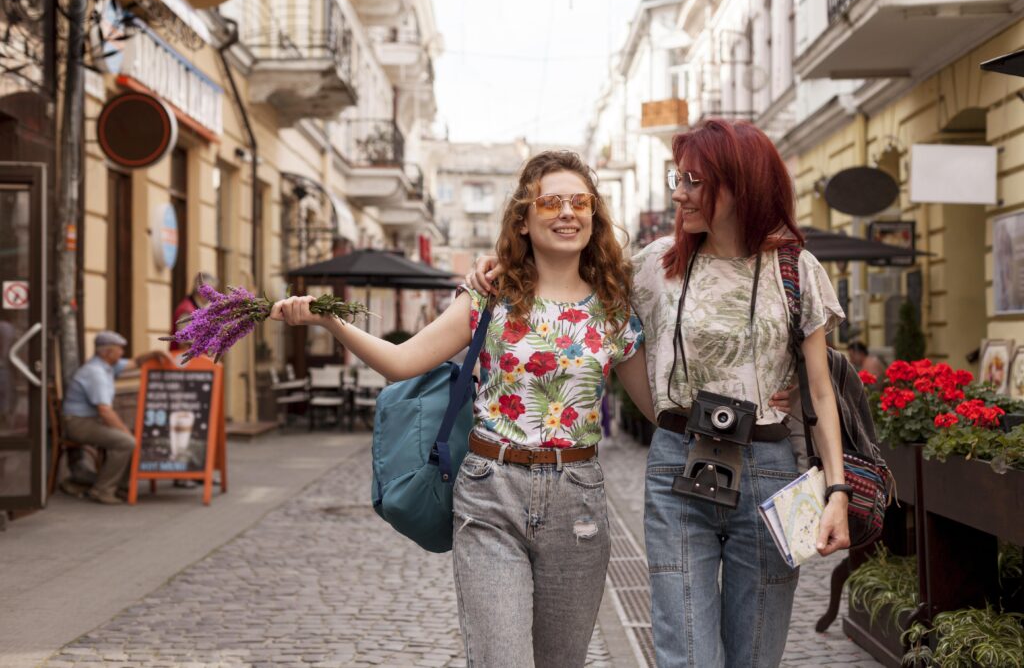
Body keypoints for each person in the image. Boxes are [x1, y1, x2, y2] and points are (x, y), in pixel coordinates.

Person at [470, 120, 851, 668]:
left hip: (772, 472)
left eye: (693, 181)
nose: (679, 193)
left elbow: (820, 390)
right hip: (680, 464)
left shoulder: (795, 269)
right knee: (686, 654)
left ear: (738, 183)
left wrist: (836, 490)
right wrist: (501, 266)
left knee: (755, 654)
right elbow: (571, 274)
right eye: (679, 178)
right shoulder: (654, 264)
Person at [273, 151, 655, 668]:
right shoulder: (489, 298)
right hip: (490, 489)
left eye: (579, 201)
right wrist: (331, 322)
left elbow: (658, 409)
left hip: (578, 501)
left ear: (594, 215)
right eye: (551, 201)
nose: (567, 212)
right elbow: (403, 361)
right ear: (524, 217)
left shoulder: (614, 310)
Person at [62, 331, 171, 504]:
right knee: (127, 441)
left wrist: (153, 354)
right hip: (78, 423)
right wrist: (125, 431)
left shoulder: (108, 366)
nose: (122, 353)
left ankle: (121, 486)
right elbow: (105, 410)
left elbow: (135, 362)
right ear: (107, 352)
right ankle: (103, 489)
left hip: (88, 420)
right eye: (119, 349)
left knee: (132, 438)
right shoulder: (95, 372)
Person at [169, 272, 217, 351]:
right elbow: (185, 347)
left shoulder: (197, 309)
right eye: (211, 291)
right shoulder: (186, 311)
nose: (214, 295)